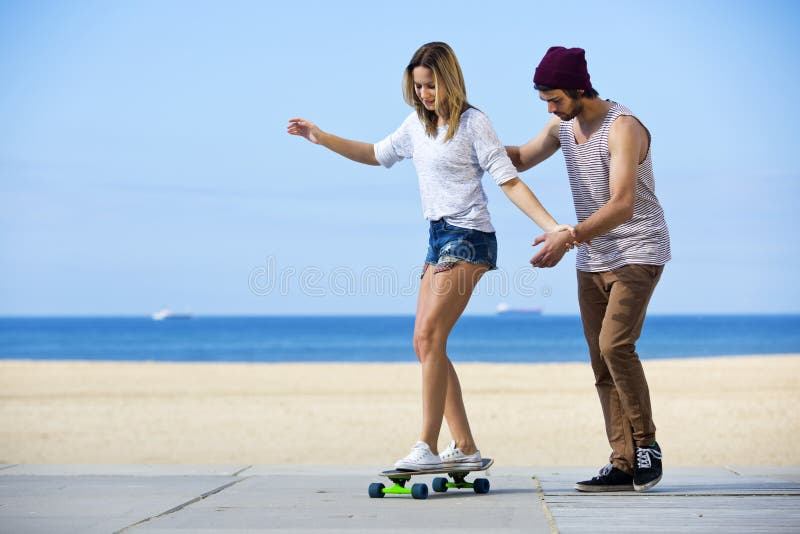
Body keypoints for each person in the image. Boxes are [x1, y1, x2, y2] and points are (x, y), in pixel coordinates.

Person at [288, 42, 570, 471]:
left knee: (432, 338)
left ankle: (426, 445)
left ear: (449, 80)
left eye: (431, 85)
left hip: (469, 237)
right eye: (418, 86)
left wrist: (552, 227)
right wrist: (320, 137)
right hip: (437, 238)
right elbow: (374, 154)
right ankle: (466, 447)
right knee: (423, 343)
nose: (424, 94)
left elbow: (508, 181)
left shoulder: (474, 123)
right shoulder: (415, 126)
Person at [505, 46, 671, 492]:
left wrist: (569, 235)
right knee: (600, 360)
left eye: (555, 98)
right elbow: (518, 157)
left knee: (616, 345)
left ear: (580, 88)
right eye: (544, 101)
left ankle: (647, 446)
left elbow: (622, 205)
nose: (550, 108)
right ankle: (622, 462)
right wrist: (470, 147)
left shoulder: (624, 128)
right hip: (593, 256)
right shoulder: (563, 124)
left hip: (638, 249)